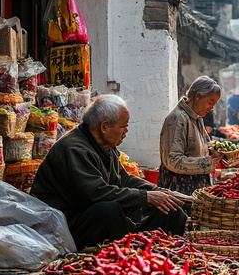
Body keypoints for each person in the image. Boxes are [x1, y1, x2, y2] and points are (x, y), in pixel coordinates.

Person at [31, 95, 186, 248]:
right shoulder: (72, 149)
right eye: (123, 126)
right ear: (104, 127)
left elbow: (124, 180)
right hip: (65, 226)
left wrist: (160, 193)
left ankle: (162, 252)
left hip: (92, 215)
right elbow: (95, 194)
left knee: (168, 208)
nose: (126, 131)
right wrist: (145, 196)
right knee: (108, 210)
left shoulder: (106, 147)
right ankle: (125, 253)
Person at [158, 76, 225, 202]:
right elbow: (173, 161)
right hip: (179, 190)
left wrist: (213, 152)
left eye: (214, 104)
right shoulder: (178, 119)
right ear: (198, 96)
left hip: (193, 188)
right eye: (210, 103)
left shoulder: (196, 118)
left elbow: (204, 144)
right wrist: (208, 162)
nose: (212, 108)